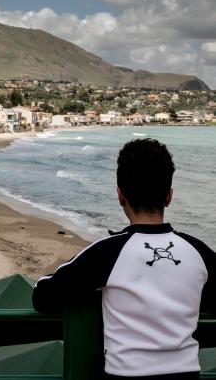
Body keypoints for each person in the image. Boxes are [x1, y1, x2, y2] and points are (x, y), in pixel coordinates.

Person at [32, 138, 216, 380]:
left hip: (125, 375)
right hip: (186, 374)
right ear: (169, 196)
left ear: (120, 196)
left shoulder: (107, 252)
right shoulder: (199, 251)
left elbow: (44, 297)